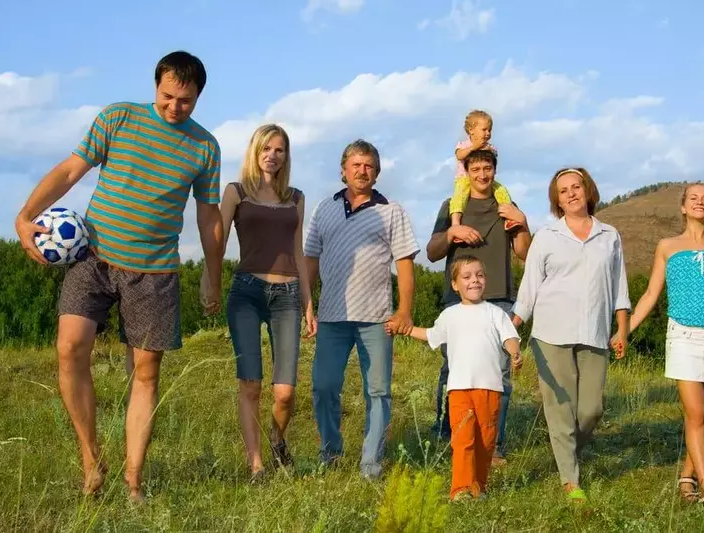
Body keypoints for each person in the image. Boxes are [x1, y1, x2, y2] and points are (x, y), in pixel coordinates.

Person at [13, 51, 224, 502]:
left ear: (198, 97)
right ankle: (91, 459)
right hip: (94, 256)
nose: (174, 107)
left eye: (185, 101)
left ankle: (133, 482)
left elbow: (209, 218)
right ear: (156, 86)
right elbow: (71, 169)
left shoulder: (205, 147)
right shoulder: (118, 118)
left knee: (145, 373)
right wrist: (25, 216)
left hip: (154, 272)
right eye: (167, 96)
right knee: (69, 347)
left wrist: (212, 273)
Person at [617, 182, 704, 513]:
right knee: (696, 414)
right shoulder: (667, 246)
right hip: (684, 337)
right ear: (682, 206)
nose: (700, 202)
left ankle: (687, 476)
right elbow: (651, 295)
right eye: (693, 198)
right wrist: (624, 331)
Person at [201, 124, 317, 480]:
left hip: (287, 296)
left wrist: (309, 303)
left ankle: (276, 438)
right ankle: (256, 465)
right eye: (266, 148)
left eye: (279, 149)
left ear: (286, 156)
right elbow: (216, 242)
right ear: (255, 152)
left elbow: (298, 252)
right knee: (250, 383)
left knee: (284, 393)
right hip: (246, 292)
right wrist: (210, 280)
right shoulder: (236, 192)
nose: (272, 155)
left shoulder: (295, 197)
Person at [512, 167, 630, 503]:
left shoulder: (610, 235)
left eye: (576, 187)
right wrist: (514, 323)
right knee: (560, 407)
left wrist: (621, 329)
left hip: (595, 332)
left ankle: (566, 450)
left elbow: (619, 286)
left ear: (588, 190)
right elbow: (530, 287)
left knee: (591, 409)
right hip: (551, 332)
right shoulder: (547, 236)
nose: (572, 194)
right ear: (557, 201)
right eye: (563, 191)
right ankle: (570, 480)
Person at [304, 139, 419, 480]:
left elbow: (406, 264)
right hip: (331, 316)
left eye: (368, 165)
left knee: (379, 391)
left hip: (377, 318)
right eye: (355, 165)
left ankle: (371, 463)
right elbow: (310, 261)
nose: (361, 171)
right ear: (343, 170)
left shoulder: (391, 210)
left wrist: (404, 311)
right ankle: (331, 454)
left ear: (377, 172)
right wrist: (307, 306)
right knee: (324, 385)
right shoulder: (323, 209)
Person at [386, 255, 522, 501]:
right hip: (458, 389)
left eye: (479, 275)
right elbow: (430, 335)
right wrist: (402, 328)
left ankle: (478, 486)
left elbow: (510, 338)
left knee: (486, 441)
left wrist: (514, 352)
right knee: (463, 439)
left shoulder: (495, 313)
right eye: (467, 277)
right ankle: (460, 489)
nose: (474, 281)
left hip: (490, 388)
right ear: (455, 284)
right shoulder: (450, 315)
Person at [426, 148, 531, 464]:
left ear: (495, 171)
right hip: (456, 301)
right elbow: (432, 252)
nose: (482, 175)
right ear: (466, 172)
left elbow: (525, 252)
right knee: (453, 371)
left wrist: (522, 223)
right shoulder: (451, 207)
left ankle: (492, 445)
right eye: (476, 169)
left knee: (499, 376)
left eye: (488, 169)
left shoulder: (507, 206)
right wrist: (452, 232)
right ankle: (449, 437)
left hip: (499, 299)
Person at [449, 110, 519, 236]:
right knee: (458, 197)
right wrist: (474, 147)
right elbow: (459, 155)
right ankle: (455, 223)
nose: (487, 133)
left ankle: (509, 217)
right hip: (464, 179)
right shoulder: (464, 145)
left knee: (501, 190)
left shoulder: (489, 146)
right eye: (484, 130)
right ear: (471, 130)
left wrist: (488, 150)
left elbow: (493, 156)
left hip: (485, 181)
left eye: (489, 130)